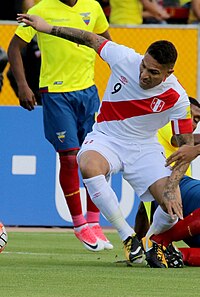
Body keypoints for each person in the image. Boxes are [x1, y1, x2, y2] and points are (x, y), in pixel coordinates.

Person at [15, 13, 194, 269]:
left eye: (153, 72)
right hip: (106, 138)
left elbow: (184, 148)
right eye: (144, 65)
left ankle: (152, 241)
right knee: (88, 164)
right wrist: (47, 27)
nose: (143, 74)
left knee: (173, 204)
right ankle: (127, 236)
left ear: (169, 73)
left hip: (144, 147)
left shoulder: (177, 98)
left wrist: (171, 186)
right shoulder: (125, 58)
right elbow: (88, 37)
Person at [8, 0, 113, 252]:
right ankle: (79, 225)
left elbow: (107, 45)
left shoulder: (93, 7)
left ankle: (94, 223)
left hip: (88, 92)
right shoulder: (40, 10)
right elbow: (14, 49)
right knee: (68, 158)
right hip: (56, 94)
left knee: (95, 157)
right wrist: (23, 85)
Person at [135, 97, 200, 267]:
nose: (192, 123)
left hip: (179, 214)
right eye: (189, 117)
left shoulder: (183, 153)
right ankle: (160, 241)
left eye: (196, 120)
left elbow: (143, 210)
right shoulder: (167, 127)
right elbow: (178, 139)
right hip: (174, 200)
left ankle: (173, 252)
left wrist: (137, 248)